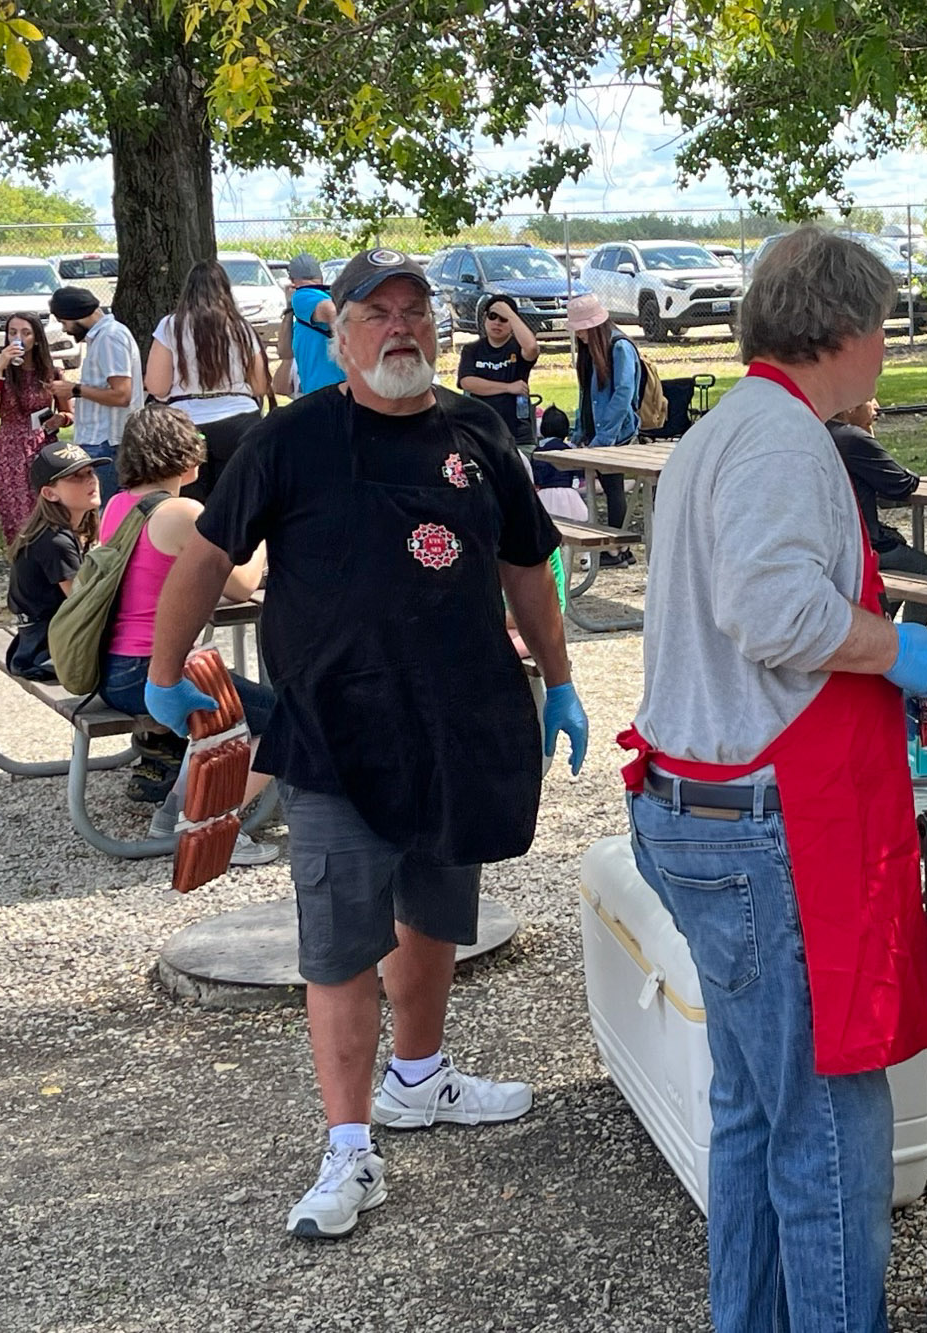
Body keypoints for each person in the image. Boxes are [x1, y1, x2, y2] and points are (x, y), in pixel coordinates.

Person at [141, 248, 587, 1240]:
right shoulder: (290, 439)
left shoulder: (476, 431)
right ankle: (348, 1148)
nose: (401, 327)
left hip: (459, 726)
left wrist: (559, 682)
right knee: (342, 942)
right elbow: (204, 552)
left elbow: (526, 566)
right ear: (335, 332)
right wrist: (163, 673)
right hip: (336, 733)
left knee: (435, 911)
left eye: (416, 311)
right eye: (377, 311)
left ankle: (418, 1078)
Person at [623, 228, 927, 1333]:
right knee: (826, 1125)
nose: (887, 353)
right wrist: (895, 649)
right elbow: (772, 615)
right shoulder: (777, 439)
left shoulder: (728, 428)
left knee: (753, 1110)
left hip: (704, 807)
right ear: (847, 329)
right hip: (757, 827)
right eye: (885, 331)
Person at [96, 406, 278, 857]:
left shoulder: (120, 506)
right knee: (285, 723)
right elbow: (240, 586)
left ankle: (172, 815)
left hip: (115, 669)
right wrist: (263, 536)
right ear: (184, 456)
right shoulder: (180, 511)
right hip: (156, 669)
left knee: (234, 714)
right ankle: (212, 823)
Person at [146, 260, 270, 502]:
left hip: (187, 424)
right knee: (238, 504)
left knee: (191, 504)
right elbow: (260, 384)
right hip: (239, 421)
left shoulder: (170, 326)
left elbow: (157, 386)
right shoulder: (241, 327)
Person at [828, 398, 927, 624]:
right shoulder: (851, 438)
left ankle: (883, 627)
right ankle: (906, 642)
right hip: (861, 546)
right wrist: (868, 437)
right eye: (869, 399)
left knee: (899, 552)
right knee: (924, 569)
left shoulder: (822, 431)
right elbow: (902, 483)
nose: (877, 406)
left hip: (833, 542)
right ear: (849, 406)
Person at [4, 442, 100, 680]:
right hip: (43, 647)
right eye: (76, 477)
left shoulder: (68, 530)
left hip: (49, 634)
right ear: (50, 493)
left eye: (90, 472)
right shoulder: (55, 540)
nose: (91, 480)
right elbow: (84, 604)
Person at [0, 313, 73, 543]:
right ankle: (21, 566)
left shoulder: (51, 373)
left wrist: (60, 419)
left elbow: (69, 414)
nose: (18, 338)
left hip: (43, 446)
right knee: (17, 516)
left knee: (47, 511)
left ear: (37, 338)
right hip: (10, 449)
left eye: (25, 333)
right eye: (12, 332)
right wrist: (0, 369)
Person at [49, 286, 142, 502]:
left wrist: (75, 389)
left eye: (64, 322)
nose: (65, 330)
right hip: (101, 441)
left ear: (76, 314)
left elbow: (121, 395)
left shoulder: (109, 338)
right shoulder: (103, 336)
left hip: (106, 443)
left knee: (103, 512)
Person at [567, 293, 641, 553]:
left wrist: (605, 437)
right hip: (594, 432)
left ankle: (617, 549)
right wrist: (578, 431)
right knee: (611, 487)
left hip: (615, 433)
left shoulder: (619, 347)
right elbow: (585, 394)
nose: (579, 336)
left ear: (594, 325)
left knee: (613, 487)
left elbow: (624, 393)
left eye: (582, 330)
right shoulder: (590, 350)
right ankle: (617, 549)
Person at [458, 294, 539, 452]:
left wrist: (510, 313)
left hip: (517, 435)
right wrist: (508, 387)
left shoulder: (518, 348)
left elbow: (532, 348)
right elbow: (467, 383)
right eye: (492, 316)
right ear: (485, 318)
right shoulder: (472, 350)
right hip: (481, 432)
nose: (497, 322)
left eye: (503, 319)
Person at [275, 253, 343, 398]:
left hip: (324, 392)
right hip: (338, 389)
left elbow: (330, 311)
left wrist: (344, 347)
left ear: (292, 280)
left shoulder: (303, 295)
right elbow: (285, 352)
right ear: (321, 277)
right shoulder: (329, 295)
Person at [530, 404, 588, 525]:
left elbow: (536, 475)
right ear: (566, 430)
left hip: (545, 494)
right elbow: (580, 472)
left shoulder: (539, 451)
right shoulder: (568, 450)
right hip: (568, 494)